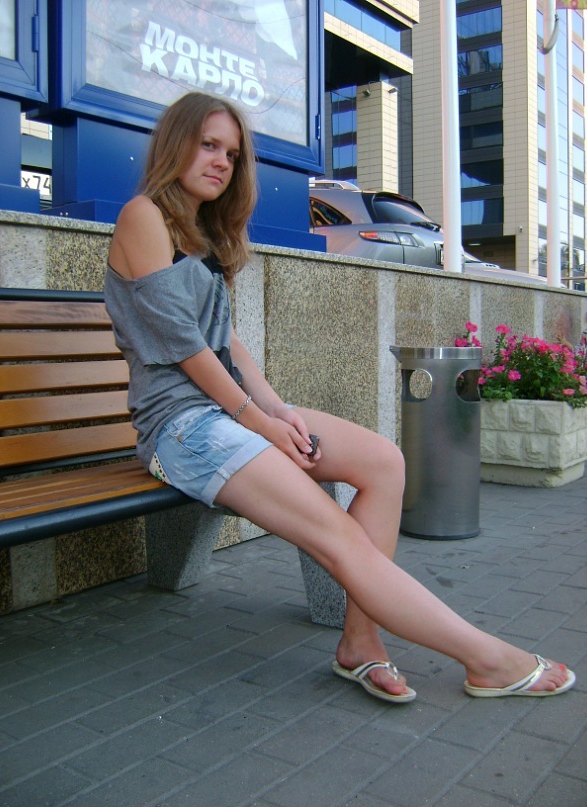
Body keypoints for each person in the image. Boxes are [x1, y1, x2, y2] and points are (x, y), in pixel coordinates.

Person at [105, 91, 575, 704]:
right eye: (208, 145)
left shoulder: (202, 234)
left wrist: (277, 410)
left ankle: (359, 641)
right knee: (337, 535)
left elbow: (227, 344)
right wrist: (259, 423)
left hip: (226, 415)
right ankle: (486, 658)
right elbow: (188, 351)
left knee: (383, 462)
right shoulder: (143, 216)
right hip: (182, 429)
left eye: (232, 154)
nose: (221, 161)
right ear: (176, 144)